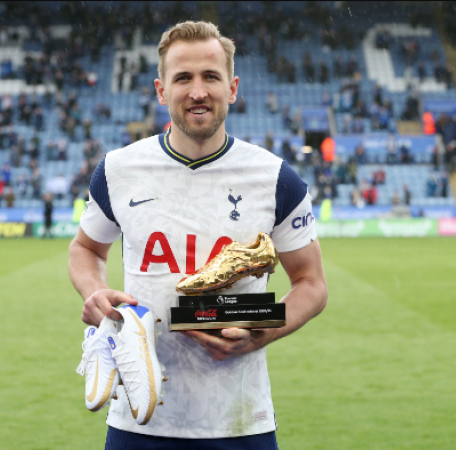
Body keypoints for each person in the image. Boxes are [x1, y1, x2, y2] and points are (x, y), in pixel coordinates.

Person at [68, 21, 327, 450]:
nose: (198, 91)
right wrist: (93, 291)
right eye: (183, 78)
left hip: (240, 421)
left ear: (233, 87)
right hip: (139, 419)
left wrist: (263, 331)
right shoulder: (117, 170)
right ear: (161, 90)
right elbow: (86, 248)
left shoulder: (276, 178)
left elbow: (312, 285)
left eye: (211, 76)